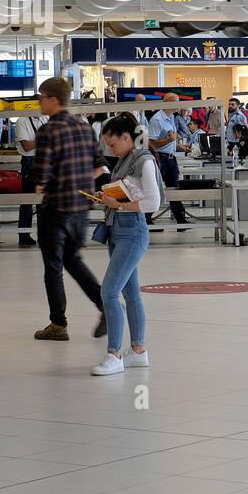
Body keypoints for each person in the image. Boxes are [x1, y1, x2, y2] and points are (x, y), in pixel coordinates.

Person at [31, 77, 108, 341]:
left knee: (53, 266)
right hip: (80, 208)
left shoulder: (47, 131)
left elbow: (41, 175)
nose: (39, 102)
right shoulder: (85, 127)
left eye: (41, 97)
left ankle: (58, 324)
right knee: (73, 260)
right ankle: (104, 305)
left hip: (55, 208)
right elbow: (100, 166)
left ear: (53, 99)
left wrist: (42, 184)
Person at [88, 113, 161, 376]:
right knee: (130, 293)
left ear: (127, 137)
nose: (109, 148)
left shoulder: (144, 161)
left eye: (112, 142)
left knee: (108, 292)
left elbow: (153, 203)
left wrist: (117, 204)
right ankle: (138, 351)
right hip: (117, 230)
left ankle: (114, 354)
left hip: (132, 232)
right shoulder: (124, 161)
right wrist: (107, 196)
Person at [146, 93, 191, 227]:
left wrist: (177, 145)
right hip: (160, 159)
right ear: (169, 102)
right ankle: (146, 218)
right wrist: (169, 140)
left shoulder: (171, 117)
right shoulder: (157, 119)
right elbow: (151, 144)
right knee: (157, 189)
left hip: (171, 158)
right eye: (176, 102)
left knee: (175, 189)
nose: (179, 105)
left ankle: (181, 220)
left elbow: (169, 138)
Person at [15, 111, 44, 248]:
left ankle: (43, 235)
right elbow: (26, 146)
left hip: (45, 161)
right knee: (26, 200)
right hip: (29, 162)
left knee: (43, 201)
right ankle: (24, 235)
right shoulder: (22, 120)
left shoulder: (46, 118)